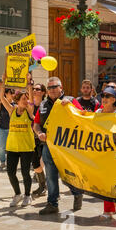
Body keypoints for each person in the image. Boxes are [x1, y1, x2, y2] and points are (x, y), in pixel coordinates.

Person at [34, 77, 84, 215]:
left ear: (61, 88)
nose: (52, 90)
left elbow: (83, 118)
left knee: (68, 174)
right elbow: (36, 123)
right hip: (48, 146)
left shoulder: (71, 101)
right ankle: (52, 203)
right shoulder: (43, 104)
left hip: (67, 147)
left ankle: (77, 193)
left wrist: (71, 107)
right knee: (50, 175)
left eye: (55, 87)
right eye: (49, 88)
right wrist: (39, 133)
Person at [0, 74, 35, 207]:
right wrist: (4, 82)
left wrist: (28, 84)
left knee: (25, 172)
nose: (26, 101)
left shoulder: (29, 111)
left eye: (26, 99)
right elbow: (2, 97)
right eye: (23, 99)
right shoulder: (12, 110)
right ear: (18, 100)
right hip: (13, 147)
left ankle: (27, 195)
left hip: (26, 147)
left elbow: (31, 100)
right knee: (10, 172)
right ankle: (18, 194)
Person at [95, 86, 116, 219]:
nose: (104, 99)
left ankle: (108, 211)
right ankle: (113, 206)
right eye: (103, 96)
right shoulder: (98, 112)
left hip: (114, 153)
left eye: (107, 96)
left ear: (113, 99)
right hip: (100, 152)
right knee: (106, 182)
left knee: (110, 181)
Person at [31, 83, 47, 197]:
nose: (35, 90)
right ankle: (42, 186)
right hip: (32, 138)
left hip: (44, 138)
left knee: (42, 163)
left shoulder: (45, 105)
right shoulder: (29, 105)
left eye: (37, 89)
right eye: (33, 89)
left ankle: (47, 187)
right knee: (36, 164)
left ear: (43, 92)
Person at [0, 86, 14, 171]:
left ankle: (10, 163)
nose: (12, 95)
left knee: (11, 148)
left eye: (13, 93)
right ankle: (3, 163)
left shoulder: (15, 104)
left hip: (13, 130)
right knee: (2, 147)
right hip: (2, 128)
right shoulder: (1, 104)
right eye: (10, 93)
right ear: (5, 94)